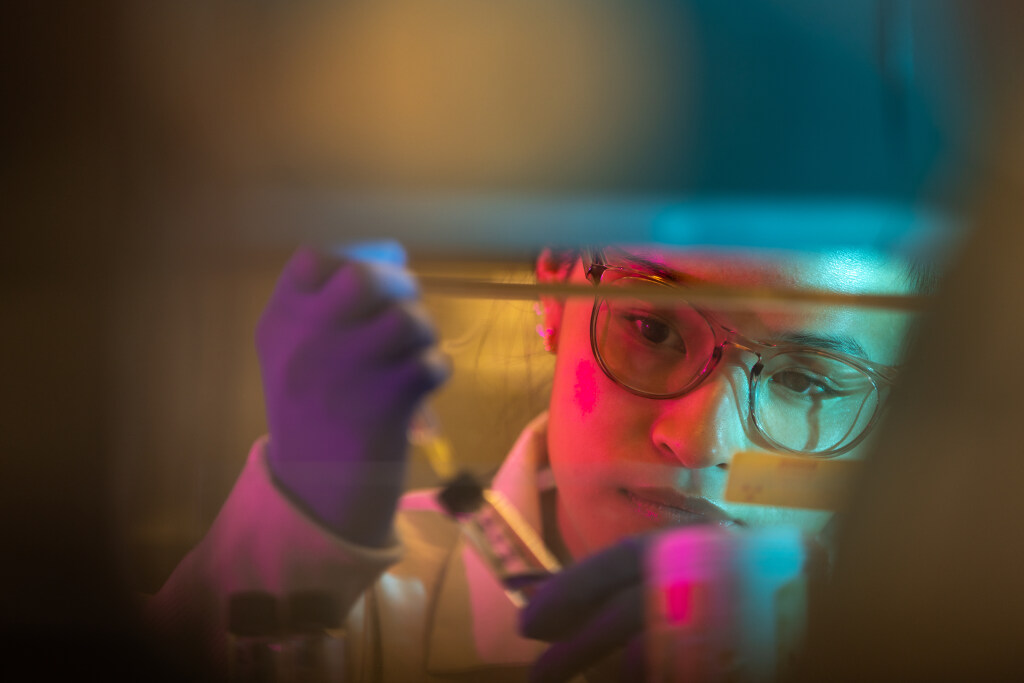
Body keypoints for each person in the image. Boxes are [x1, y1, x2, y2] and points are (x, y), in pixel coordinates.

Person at [146, 240, 921, 682]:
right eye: (650, 328)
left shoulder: (940, 635)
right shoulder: (353, 607)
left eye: (806, 380)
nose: (699, 444)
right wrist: (300, 517)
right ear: (553, 288)